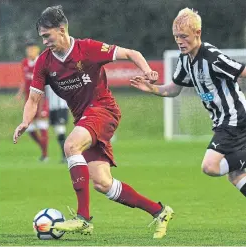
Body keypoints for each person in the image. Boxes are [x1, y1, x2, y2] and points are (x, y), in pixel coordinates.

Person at [13, 5, 174, 238]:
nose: (44, 41)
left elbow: (131, 53)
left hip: (103, 109)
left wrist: (148, 71)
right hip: (85, 119)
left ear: (61, 30)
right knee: (102, 183)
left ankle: (83, 219)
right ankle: (159, 211)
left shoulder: (87, 48)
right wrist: (26, 121)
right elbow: (34, 97)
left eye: (47, 36)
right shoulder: (44, 62)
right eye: (41, 37)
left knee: (70, 145)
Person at [131, 8, 246, 197]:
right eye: (176, 36)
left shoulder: (212, 57)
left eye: (184, 36)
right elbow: (173, 89)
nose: (179, 41)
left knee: (210, 166)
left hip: (234, 120)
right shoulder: (185, 60)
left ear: (197, 33)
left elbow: (242, 71)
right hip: (221, 123)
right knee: (236, 175)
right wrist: (151, 89)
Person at [16, 41, 49, 162]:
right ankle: (43, 148)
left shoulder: (42, 62)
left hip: (41, 99)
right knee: (29, 129)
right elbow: (25, 80)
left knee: (42, 125)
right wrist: (20, 93)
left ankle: (45, 155)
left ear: (37, 50)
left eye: (32, 49)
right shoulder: (24, 62)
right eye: (28, 49)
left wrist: (42, 103)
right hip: (29, 100)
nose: (29, 51)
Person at [45, 85, 69, 163]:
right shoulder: (46, 77)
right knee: (58, 133)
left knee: (61, 131)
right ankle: (65, 155)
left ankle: (67, 156)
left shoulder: (62, 75)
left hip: (61, 108)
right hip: (52, 108)